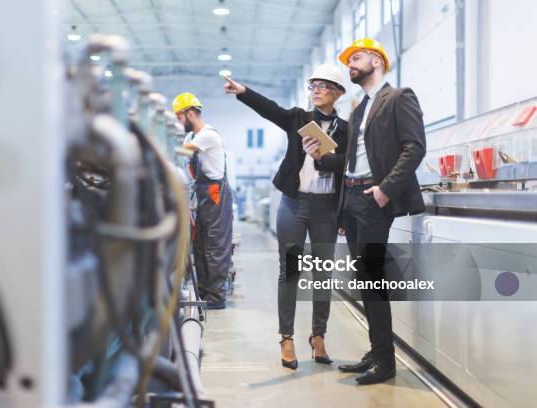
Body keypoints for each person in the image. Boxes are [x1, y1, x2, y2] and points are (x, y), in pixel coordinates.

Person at [224, 64, 348, 370]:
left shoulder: (347, 130)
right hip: (294, 203)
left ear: (338, 92)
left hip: (327, 208)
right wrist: (244, 93)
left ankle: (318, 336)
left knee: (323, 275)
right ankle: (287, 338)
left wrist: (344, 212)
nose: (316, 90)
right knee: (289, 271)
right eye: (313, 85)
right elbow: (270, 110)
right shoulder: (299, 118)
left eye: (323, 85)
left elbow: (348, 170)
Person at [323, 38, 426, 385]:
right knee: (364, 280)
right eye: (348, 60)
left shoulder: (398, 97)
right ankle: (376, 351)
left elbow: (414, 148)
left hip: (372, 197)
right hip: (351, 198)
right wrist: (320, 153)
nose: (350, 64)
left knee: (372, 279)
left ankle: (386, 361)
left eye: (357, 58)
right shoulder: (357, 108)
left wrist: (384, 190)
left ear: (377, 62)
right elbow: (348, 160)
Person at [172, 92, 233, 310]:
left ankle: (216, 297)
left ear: (190, 113)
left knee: (214, 246)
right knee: (201, 245)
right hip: (203, 194)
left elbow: (180, 152)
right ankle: (206, 293)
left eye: (179, 118)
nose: (179, 124)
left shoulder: (207, 135)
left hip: (216, 194)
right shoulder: (192, 138)